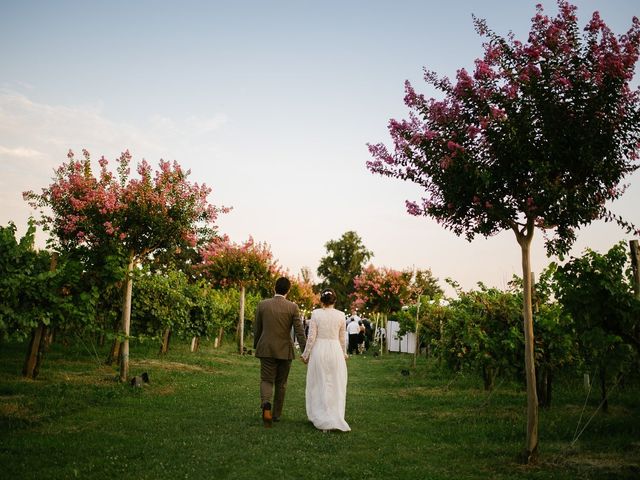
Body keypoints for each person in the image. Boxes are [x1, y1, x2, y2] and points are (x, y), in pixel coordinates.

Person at [254, 276, 307, 428]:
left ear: (274, 288)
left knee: (266, 379)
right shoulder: (293, 307)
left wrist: (257, 344)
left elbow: (257, 328)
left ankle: (266, 404)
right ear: (288, 291)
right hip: (285, 350)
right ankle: (276, 415)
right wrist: (305, 351)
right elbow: (299, 331)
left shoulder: (262, 305)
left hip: (266, 348)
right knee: (281, 383)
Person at [301, 288, 350, 432]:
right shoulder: (341, 315)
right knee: (335, 383)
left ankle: (320, 414)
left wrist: (306, 354)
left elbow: (311, 337)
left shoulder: (316, 314)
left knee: (318, 383)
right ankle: (334, 414)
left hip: (320, 350)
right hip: (335, 350)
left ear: (322, 300)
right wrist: (344, 354)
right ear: (334, 301)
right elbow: (342, 338)